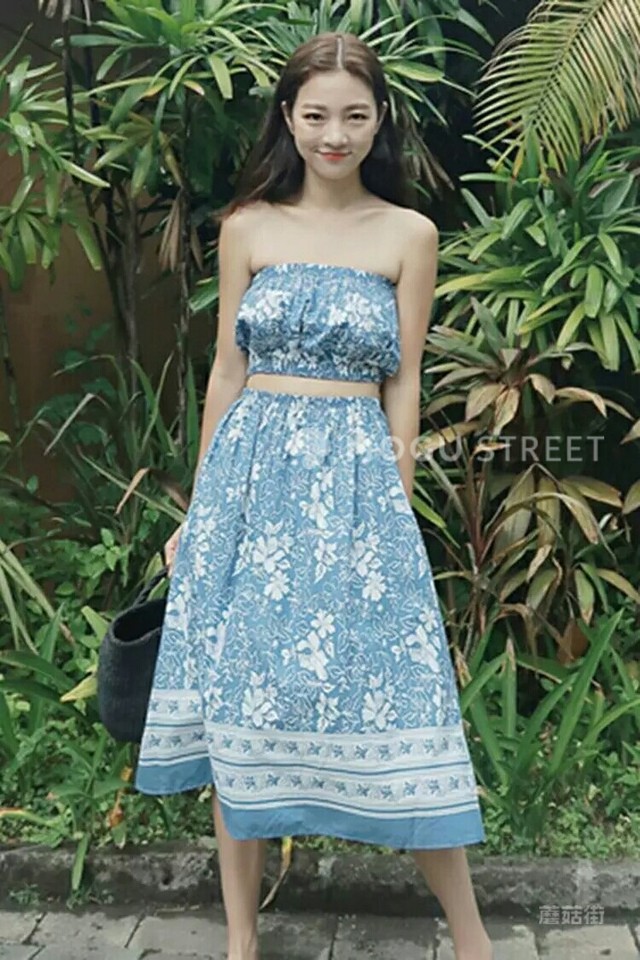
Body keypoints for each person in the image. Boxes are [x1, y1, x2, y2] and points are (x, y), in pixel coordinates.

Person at [134, 30, 492, 960]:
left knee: (405, 692)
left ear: (380, 122)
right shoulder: (248, 227)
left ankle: (474, 941)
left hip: (357, 484)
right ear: (288, 119)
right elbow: (226, 372)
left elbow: (404, 380)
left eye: (355, 116)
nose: (335, 134)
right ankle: (241, 942)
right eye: (317, 115)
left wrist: (395, 501)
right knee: (241, 704)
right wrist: (200, 512)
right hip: (250, 489)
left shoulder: (409, 235)